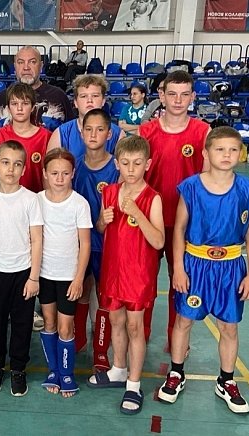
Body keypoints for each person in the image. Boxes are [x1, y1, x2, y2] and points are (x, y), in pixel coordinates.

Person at [158, 126, 249, 415]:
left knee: (229, 326)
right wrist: (179, 267)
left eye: (233, 150)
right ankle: (176, 372)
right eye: (220, 149)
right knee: (184, 321)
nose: (227, 155)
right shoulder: (191, 187)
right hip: (195, 264)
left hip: (231, 267)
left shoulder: (247, 189)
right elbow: (178, 230)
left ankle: (226, 380)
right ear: (206, 153)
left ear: (240, 154)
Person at [87, 135, 165, 416]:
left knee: (134, 327)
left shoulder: (153, 198)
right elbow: (100, 227)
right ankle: (118, 369)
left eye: (137, 163)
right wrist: (102, 221)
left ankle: (134, 384)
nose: (131, 169)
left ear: (148, 164)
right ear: (117, 164)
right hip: (113, 269)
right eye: (126, 163)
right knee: (115, 321)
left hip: (138, 273)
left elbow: (158, 241)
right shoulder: (109, 192)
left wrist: (137, 214)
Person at [138, 70, 210, 349]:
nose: (178, 100)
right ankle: (140, 334)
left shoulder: (202, 132)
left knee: (180, 282)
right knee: (144, 281)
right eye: (172, 94)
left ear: (193, 97)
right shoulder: (146, 132)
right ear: (161, 96)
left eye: (184, 95)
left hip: (186, 223)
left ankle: (176, 339)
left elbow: (208, 181)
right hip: (150, 220)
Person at [0, 140, 43, 397]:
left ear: (24, 169)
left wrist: (34, 277)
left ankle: (18, 368)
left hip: (23, 273)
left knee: (22, 324)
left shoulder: (31, 199)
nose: (11, 169)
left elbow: (37, 239)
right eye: (5, 163)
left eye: (17, 164)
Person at [38, 148, 91, 398]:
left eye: (65, 173)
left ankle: (67, 373)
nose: (59, 178)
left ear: (73, 174)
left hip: (68, 276)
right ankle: (54, 371)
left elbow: (85, 244)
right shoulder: (37, 201)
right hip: (44, 274)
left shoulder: (79, 204)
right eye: (54, 173)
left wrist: (79, 278)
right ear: (45, 174)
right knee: (49, 323)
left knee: (65, 327)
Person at [72, 109, 120, 372]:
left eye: (100, 129)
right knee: (81, 288)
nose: (93, 135)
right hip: (79, 243)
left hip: (107, 244)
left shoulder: (117, 168)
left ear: (109, 134)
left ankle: (101, 350)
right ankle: (78, 339)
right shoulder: (74, 167)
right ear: (81, 133)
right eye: (88, 129)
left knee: (104, 295)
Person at [0, 45, 73, 133]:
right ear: (15, 66)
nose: (26, 67)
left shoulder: (58, 96)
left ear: (41, 66)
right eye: (20, 62)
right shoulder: (1, 98)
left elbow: (72, 134)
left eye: (32, 62)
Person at [0, 83, 51, 193]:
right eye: (14, 104)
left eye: (25, 103)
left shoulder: (47, 137)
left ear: (33, 107)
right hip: (5, 198)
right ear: (8, 108)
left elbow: (50, 174)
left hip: (37, 198)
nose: (19, 108)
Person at [47, 74, 124, 159]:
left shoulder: (118, 134)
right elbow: (50, 166)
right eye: (83, 96)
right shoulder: (60, 134)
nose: (89, 100)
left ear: (103, 101)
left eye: (95, 96)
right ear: (75, 103)